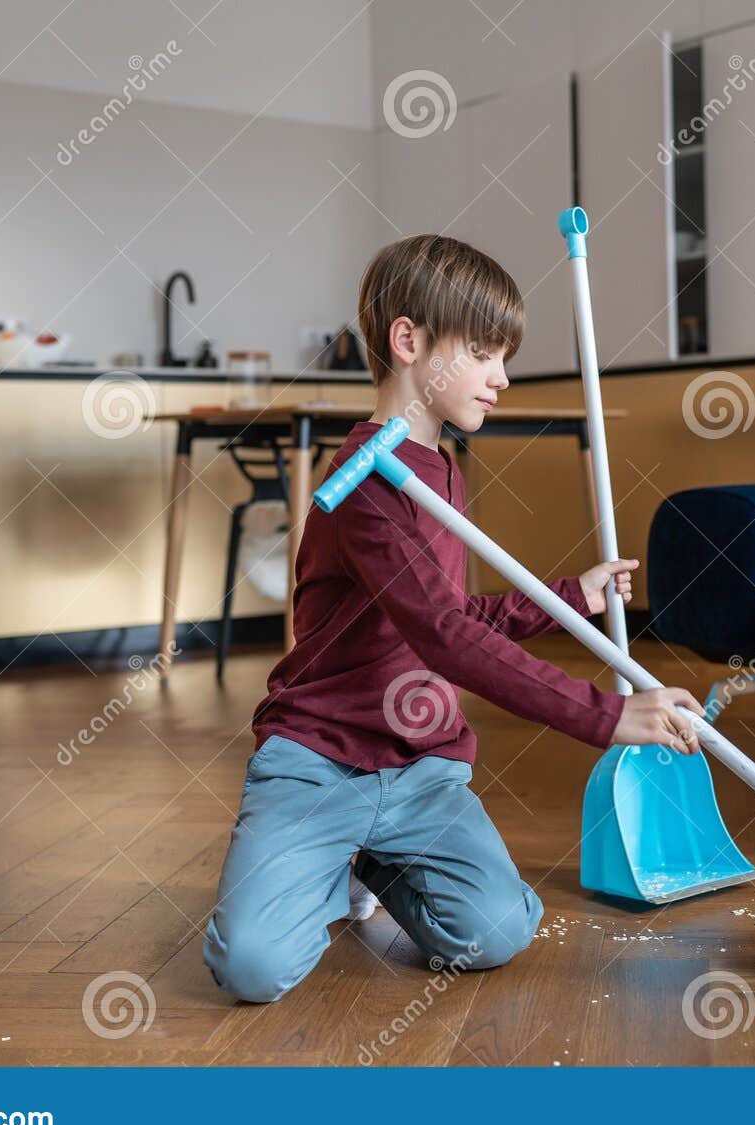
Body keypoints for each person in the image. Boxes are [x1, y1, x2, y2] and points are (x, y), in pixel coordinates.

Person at [202, 234, 704, 1003]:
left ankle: (377, 857)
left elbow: (453, 612)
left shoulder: (438, 465)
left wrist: (574, 596)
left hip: (419, 771)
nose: (502, 377)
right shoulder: (367, 481)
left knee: (493, 932)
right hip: (318, 760)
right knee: (252, 968)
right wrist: (606, 714)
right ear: (409, 342)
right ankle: (326, 855)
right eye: (481, 353)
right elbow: (444, 632)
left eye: (503, 356)